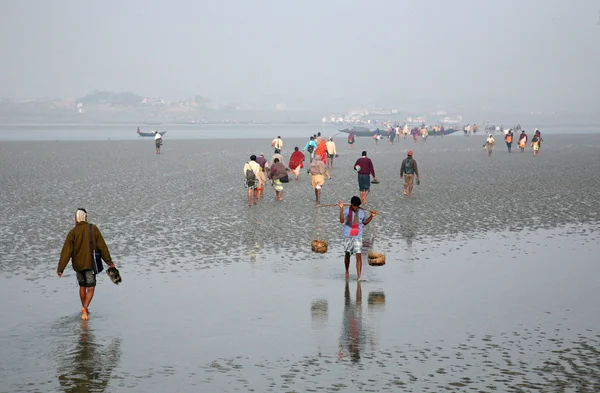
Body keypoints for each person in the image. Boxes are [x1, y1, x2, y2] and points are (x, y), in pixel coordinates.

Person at [57, 208, 116, 320]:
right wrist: (109, 262)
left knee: (82, 286)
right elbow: (102, 247)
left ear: (76, 219)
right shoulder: (93, 229)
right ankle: (85, 308)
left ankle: (85, 310)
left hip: (77, 265)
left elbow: (66, 252)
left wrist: (60, 268)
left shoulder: (72, 232)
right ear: (85, 217)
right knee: (91, 287)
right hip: (89, 263)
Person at [338, 197, 376, 281]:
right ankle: (347, 271)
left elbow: (365, 222)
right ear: (351, 204)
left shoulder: (362, 212)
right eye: (354, 206)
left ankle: (359, 276)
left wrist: (372, 216)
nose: (356, 208)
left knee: (358, 255)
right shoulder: (347, 211)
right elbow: (341, 221)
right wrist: (341, 209)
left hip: (358, 236)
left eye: (357, 206)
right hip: (348, 236)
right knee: (347, 254)